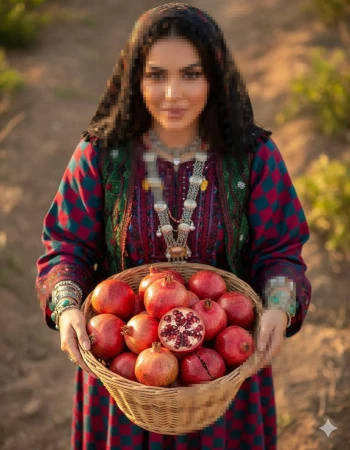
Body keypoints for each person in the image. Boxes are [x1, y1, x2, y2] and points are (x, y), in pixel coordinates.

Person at [35, 3, 312, 449]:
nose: (172, 94)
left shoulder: (254, 157)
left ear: (216, 78)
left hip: (223, 374)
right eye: (156, 75)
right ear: (133, 78)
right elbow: (66, 246)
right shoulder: (101, 155)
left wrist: (278, 305)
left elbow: (280, 249)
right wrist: (68, 307)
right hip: (125, 373)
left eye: (191, 74)